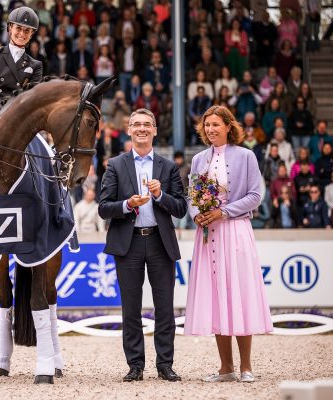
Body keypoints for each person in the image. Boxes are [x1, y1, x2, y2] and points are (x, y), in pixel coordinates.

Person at [98, 108, 187, 383]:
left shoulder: (169, 167)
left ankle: (165, 365)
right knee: (131, 309)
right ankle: (135, 365)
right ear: (129, 130)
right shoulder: (115, 165)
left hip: (160, 243)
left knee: (164, 309)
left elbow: (182, 208)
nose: (141, 129)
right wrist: (127, 205)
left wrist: (160, 196)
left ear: (155, 130)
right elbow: (103, 208)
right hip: (129, 243)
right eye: (136, 124)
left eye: (147, 124)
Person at [185, 105, 272, 383]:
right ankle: (225, 367)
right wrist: (196, 214)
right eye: (207, 125)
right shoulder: (199, 159)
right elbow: (191, 196)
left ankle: (246, 366)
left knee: (239, 294)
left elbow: (255, 195)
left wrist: (224, 212)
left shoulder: (246, 156)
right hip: (208, 234)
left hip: (235, 230)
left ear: (228, 126)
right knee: (217, 296)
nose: (211, 129)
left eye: (216, 125)